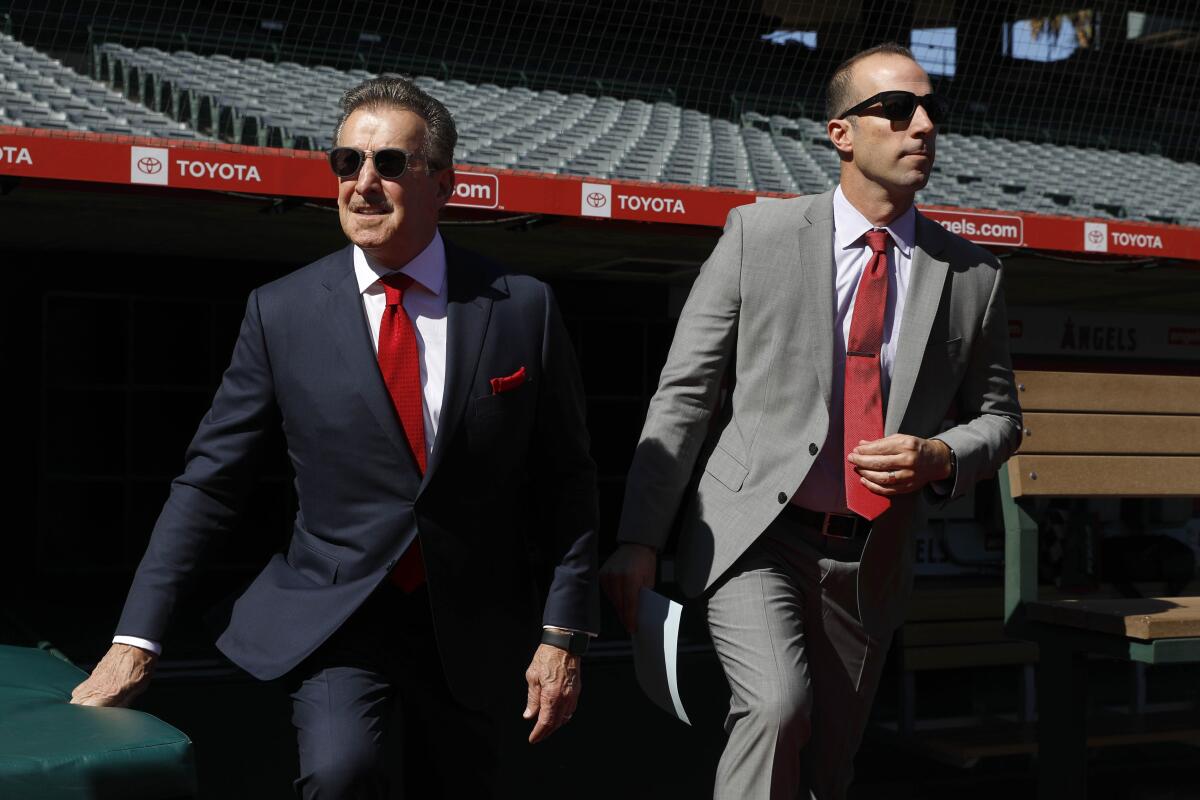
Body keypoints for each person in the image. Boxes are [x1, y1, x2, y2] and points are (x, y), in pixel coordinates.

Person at [70, 76, 599, 798]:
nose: (363, 182)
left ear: (445, 182)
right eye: (347, 163)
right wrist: (136, 640)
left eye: (389, 164)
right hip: (338, 618)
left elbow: (565, 482)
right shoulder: (280, 313)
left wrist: (563, 633)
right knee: (341, 773)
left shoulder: (522, 309)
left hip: (477, 631)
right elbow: (209, 482)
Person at [600, 43, 1022, 799]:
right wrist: (638, 539)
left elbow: (1000, 419)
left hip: (869, 560)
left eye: (931, 110)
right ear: (841, 134)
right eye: (897, 109)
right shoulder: (756, 236)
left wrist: (940, 454)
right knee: (776, 706)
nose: (922, 125)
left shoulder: (974, 276)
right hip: (753, 534)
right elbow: (685, 393)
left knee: (828, 768)